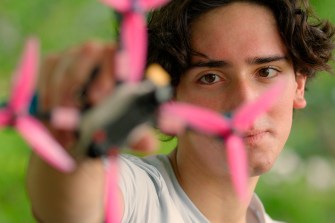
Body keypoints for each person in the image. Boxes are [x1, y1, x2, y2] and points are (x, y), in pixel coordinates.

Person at [27, 0, 335, 222]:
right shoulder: (137, 195)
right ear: (170, 98)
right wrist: (74, 138)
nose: (244, 101)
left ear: (298, 83)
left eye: (266, 72)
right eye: (210, 77)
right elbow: (70, 208)